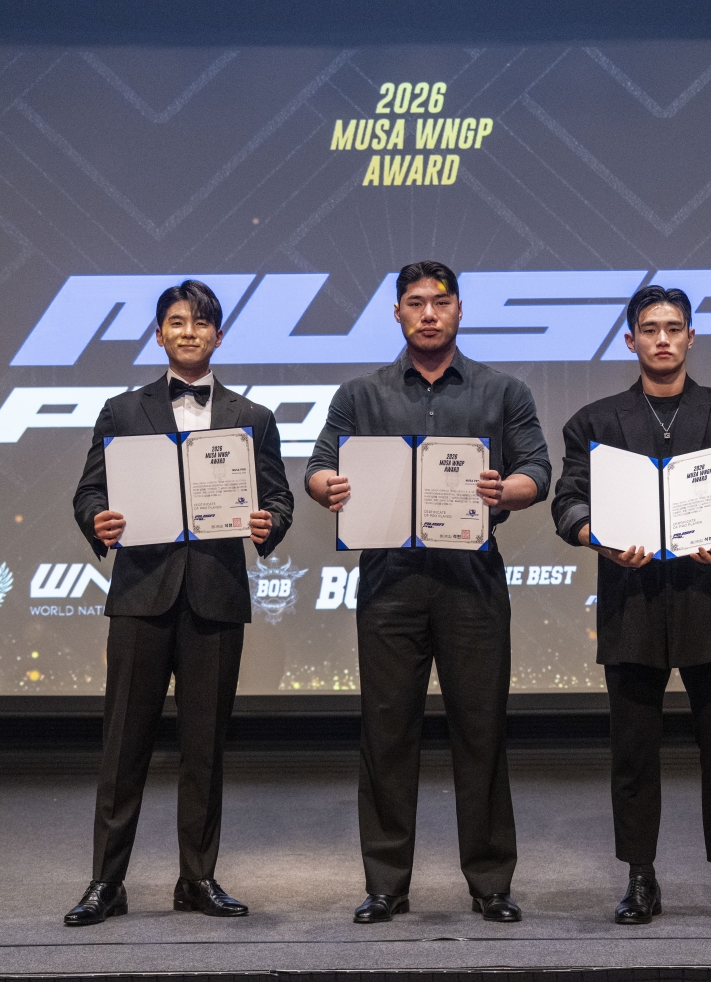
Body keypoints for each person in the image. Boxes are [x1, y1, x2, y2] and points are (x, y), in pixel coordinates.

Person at [305, 260, 551, 924]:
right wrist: (328, 487)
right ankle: (386, 883)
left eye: (440, 302)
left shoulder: (504, 391)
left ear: (459, 309)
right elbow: (319, 468)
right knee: (387, 733)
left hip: (472, 581)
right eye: (414, 303)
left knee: (481, 730)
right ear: (397, 313)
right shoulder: (360, 395)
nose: (428, 313)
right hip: (391, 582)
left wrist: (508, 490)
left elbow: (537, 469)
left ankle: (490, 883)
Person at [550, 284, 711, 926]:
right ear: (630, 340)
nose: (662, 339)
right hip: (631, 601)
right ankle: (640, 878)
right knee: (633, 753)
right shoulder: (594, 424)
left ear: (690, 337)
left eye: (673, 328)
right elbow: (567, 501)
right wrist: (595, 536)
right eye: (650, 329)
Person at [65, 279, 294, 926]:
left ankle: (197, 878)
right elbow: (88, 492)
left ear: (219, 336)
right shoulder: (121, 411)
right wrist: (98, 520)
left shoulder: (254, 418)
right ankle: (106, 883)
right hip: (141, 594)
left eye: (200, 322)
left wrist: (268, 524)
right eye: (176, 321)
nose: (188, 331)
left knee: (205, 748)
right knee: (123, 746)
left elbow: (278, 498)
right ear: (159, 334)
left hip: (215, 597)